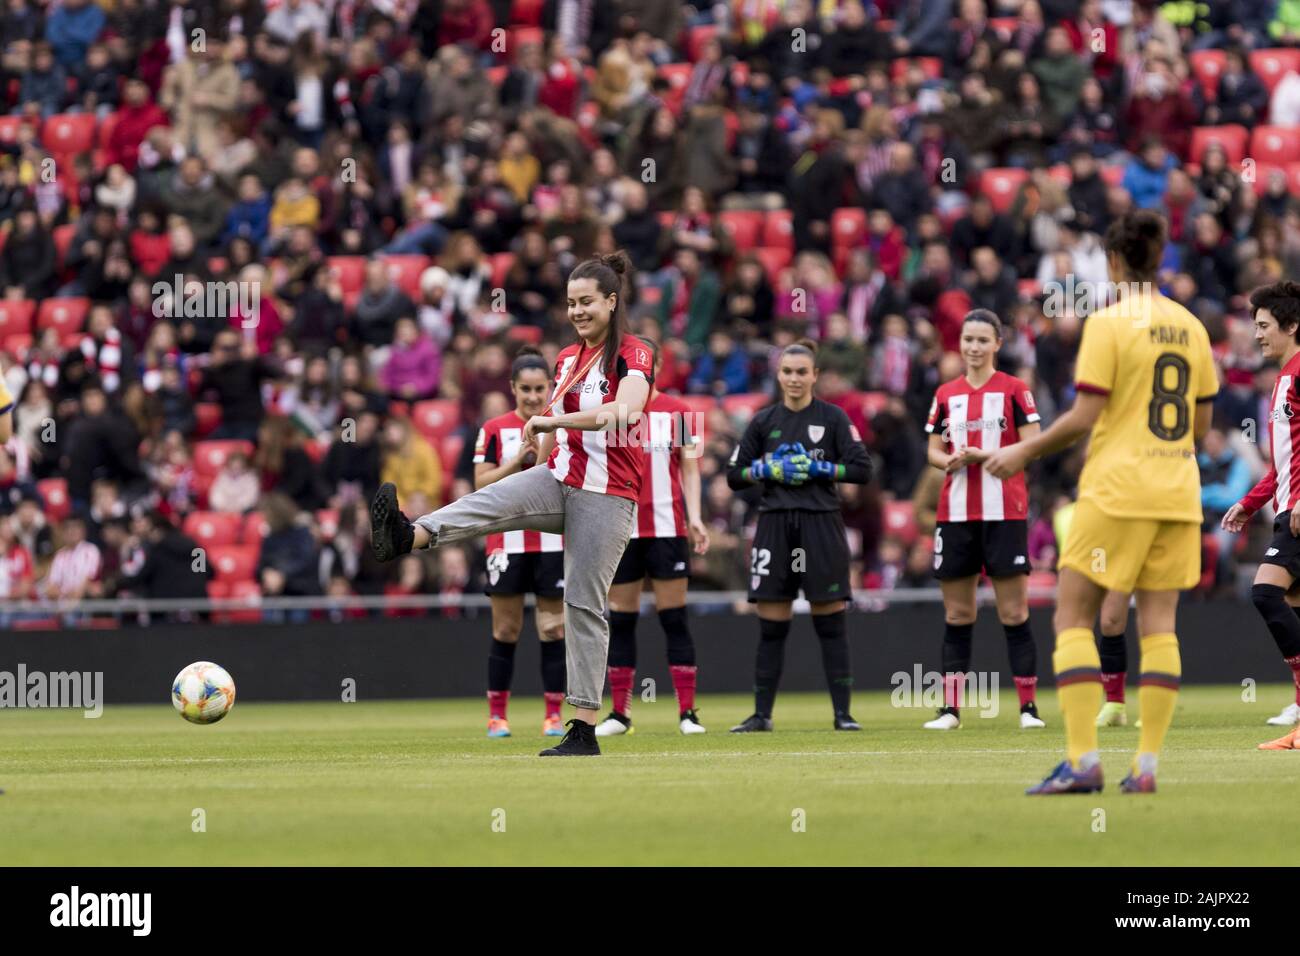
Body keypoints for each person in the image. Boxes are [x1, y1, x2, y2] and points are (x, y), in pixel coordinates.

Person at [369, 252, 653, 758]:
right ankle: (407, 536)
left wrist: (552, 424)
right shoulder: (567, 359)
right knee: (487, 500)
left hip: (608, 494)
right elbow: (549, 430)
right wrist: (538, 444)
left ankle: (583, 728)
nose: (578, 311)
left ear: (612, 301)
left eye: (587, 301)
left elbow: (623, 411)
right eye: (570, 303)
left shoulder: (635, 352)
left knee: (582, 605)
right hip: (559, 476)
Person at [985, 210, 1218, 794]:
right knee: (1160, 625)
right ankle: (1145, 768)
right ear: (1158, 258)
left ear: (1113, 263)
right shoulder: (1192, 326)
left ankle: (1084, 760)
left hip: (1117, 489)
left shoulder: (1110, 323)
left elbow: (1084, 416)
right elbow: (1203, 422)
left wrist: (1023, 452)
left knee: (1072, 618)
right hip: (1178, 492)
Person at [725, 340, 871, 733]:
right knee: (772, 622)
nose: (794, 378)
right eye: (787, 372)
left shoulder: (834, 418)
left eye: (802, 372)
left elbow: (861, 470)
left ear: (815, 376)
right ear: (779, 375)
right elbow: (734, 475)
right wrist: (766, 470)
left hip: (821, 522)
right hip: (774, 524)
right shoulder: (762, 420)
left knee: (830, 620)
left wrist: (823, 471)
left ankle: (843, 714)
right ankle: (761, 714)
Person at [922, 309, 1045, 731]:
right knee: (957, 615)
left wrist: (985, 457)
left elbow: (1032, 446)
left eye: (981, 340)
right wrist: (950, 461)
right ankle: (950, 710)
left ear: (997, 343)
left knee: (1013, 612)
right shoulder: (945, 394)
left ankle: (1028, 709)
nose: (973, 347)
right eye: (967, 340)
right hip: (955, 515)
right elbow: (933, 451)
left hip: (1004, 512)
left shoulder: (1014, 390)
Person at [596, 340, 711, 738]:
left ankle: (687, 713)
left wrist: (695, 518)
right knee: (622, 621)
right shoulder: (611, 414)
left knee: (674, 618)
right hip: (621, 529)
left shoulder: (679, 412)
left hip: (667, 528)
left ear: (657, 367)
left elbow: (691, 470)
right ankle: (620, 714)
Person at [471, 345, 568, 739]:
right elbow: (479, 484)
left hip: (550, 542)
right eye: (525, 389)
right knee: (506, 629)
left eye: (539, 389)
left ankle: (553, 715)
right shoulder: (494, 430)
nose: (532, 397)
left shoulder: (562, 424)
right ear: (513, 388)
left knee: (552, 628)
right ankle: (497, 716)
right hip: (506, 543)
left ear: (549, 388)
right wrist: (517, 462)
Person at [1220, 281, 1300, 747]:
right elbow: (1283, 463)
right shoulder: (1281, 380)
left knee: (1266, 594)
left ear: (1292, 326)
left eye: (1265, 326)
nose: (1258, 335)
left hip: (1297, 513)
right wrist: (1248, 504)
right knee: (1290, 605)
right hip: (1285, 509)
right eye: (1255, 326)